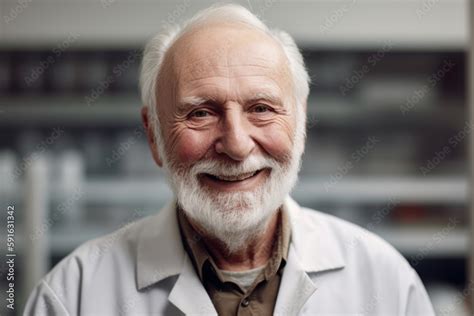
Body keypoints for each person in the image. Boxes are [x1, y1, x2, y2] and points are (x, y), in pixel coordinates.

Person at [24, 4, 435, 315]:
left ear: (301, 121)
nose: (237, 146)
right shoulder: (72, 296)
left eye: (261, 108)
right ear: (153, 136)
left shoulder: (386, 284)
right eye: (201, 112)